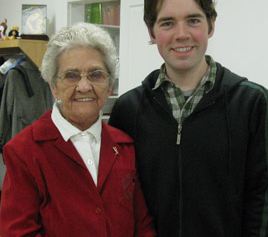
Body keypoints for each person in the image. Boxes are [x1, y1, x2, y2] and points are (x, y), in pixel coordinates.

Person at [109, 0, 268, 237]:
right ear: (151, 31)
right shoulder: (128, 110)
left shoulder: (252, 102)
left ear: (211, 24)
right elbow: (121, 200)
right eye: (167, 23)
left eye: (193, 20)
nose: (181, 34)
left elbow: (265, 198)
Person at [0, 22, 156, 237]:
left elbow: (143, 225)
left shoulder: (125, 145)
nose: (84, 86)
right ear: (53, 85)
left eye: (96, 74)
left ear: (109, 84)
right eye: (71, 75)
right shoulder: (23, 151)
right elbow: (17, 232)